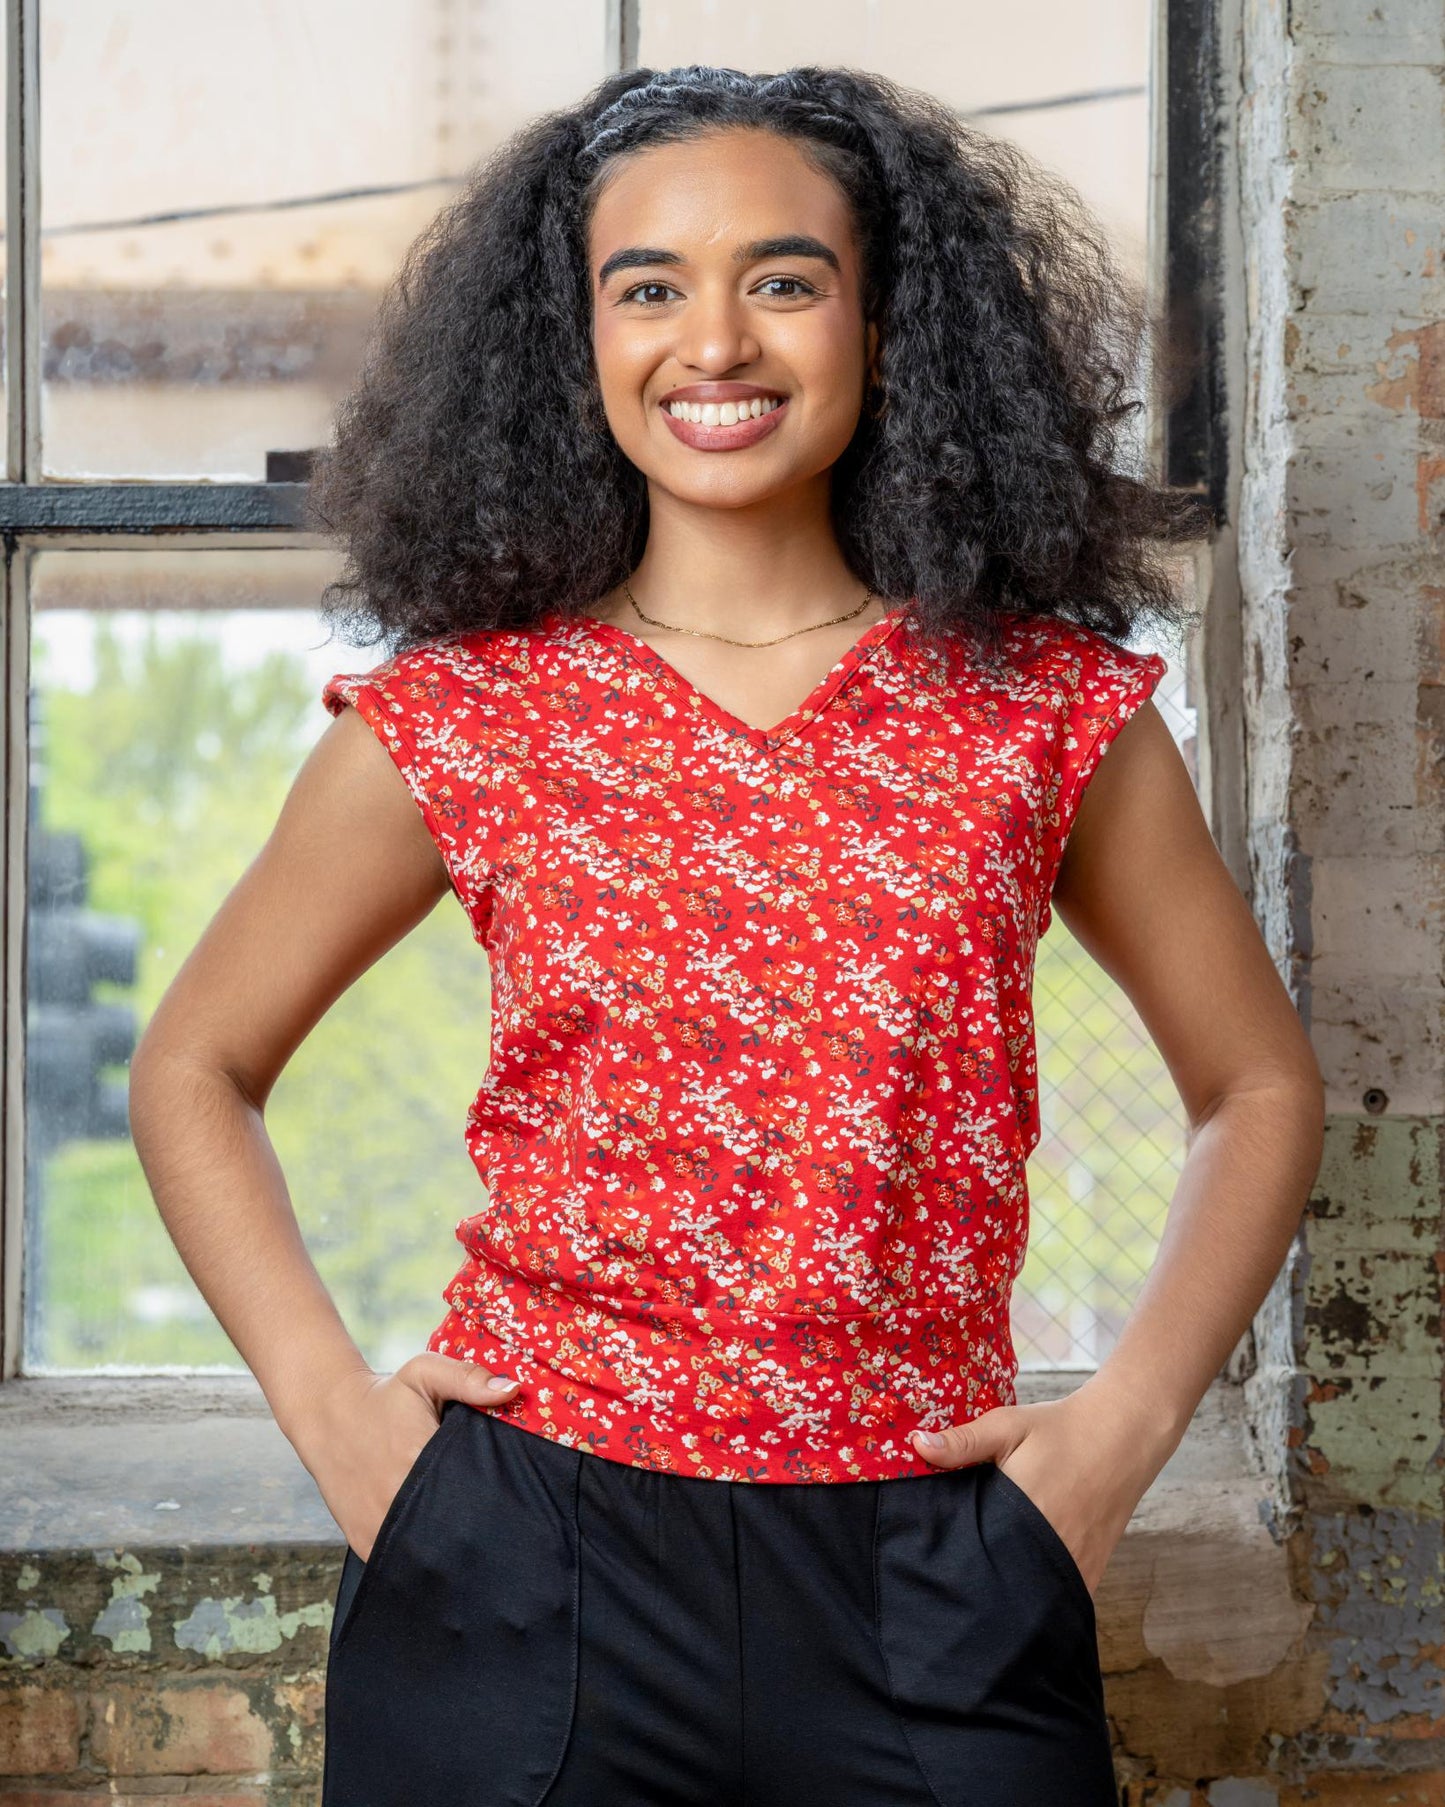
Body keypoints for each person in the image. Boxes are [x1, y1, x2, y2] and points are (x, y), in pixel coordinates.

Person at [128, 63, 1325, 1807]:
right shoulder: (464, 716)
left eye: (781, 279)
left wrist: (1113, 1438)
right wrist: (339, 1422)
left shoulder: (1041, 711)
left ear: (881, 324)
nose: (714, 342)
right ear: (575, 341)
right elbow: (193, 1065)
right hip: (524, 1562)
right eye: (647, 288)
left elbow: (1257, 1088)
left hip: (937, 1568)